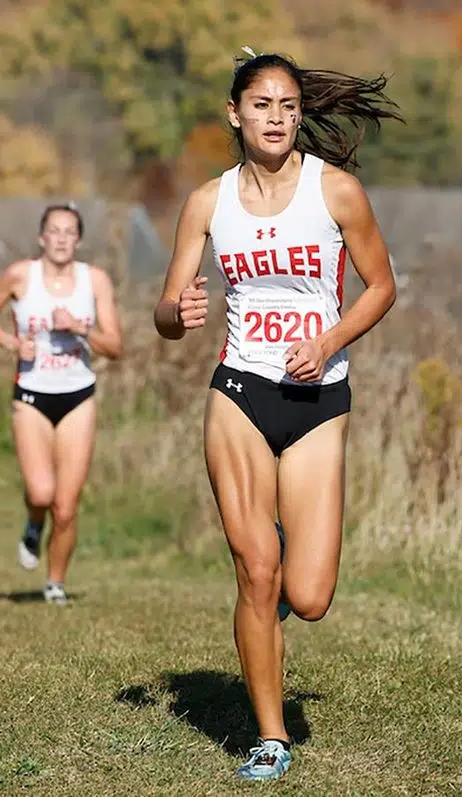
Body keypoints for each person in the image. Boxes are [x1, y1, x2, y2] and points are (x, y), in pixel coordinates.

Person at [152, 49, 400, 782]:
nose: (276, 118)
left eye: (288, 106)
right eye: (261, 105)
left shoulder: (338, 193)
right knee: (255, 572)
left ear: (301, 115)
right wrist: (177, 311)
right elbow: (168, 310)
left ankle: (284, 549)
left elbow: (382, 286)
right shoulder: (208, 201)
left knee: (310, 594)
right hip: (238, 391)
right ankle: (271, 735)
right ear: (235, 114)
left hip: (320, 400)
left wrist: (327, 341)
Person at [0, 202, 124, 606]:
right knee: (41, 494)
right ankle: (33, 523)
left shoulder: (94, 281)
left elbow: (115, 346)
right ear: (42, 237)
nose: (61, 238)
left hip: (78, 396)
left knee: (67, 505)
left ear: (78, 239)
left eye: (69, 231)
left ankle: (55, 583)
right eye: (54, 231)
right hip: (32, 394)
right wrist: (11, 343)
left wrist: (79, 326)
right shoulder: (22, 275)